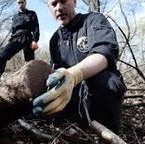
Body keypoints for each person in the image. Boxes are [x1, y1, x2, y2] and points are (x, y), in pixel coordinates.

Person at [32, 0, 127, 134]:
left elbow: (105, 51)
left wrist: (75, 74)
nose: (59, 8)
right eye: (53, 4)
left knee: (108, 82)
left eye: (63, 1)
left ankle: (106, 130)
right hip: (70, 100)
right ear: (48, 8)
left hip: (97, 96)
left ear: (75, 2)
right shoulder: (54, 40)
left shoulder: (94, 20)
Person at [0, 0, 40, 80]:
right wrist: (10, 41)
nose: (20, 4)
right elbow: (13, 31)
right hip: (16, 38)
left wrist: (35, 40)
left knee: (30, 62)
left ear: (25, 3)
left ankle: (31, 79)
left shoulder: (31, 14)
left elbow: (36, 27)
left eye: (22, 2)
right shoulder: (15, 17)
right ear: (17, 4)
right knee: (2, 55)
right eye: (19, 2)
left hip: (27, 37)